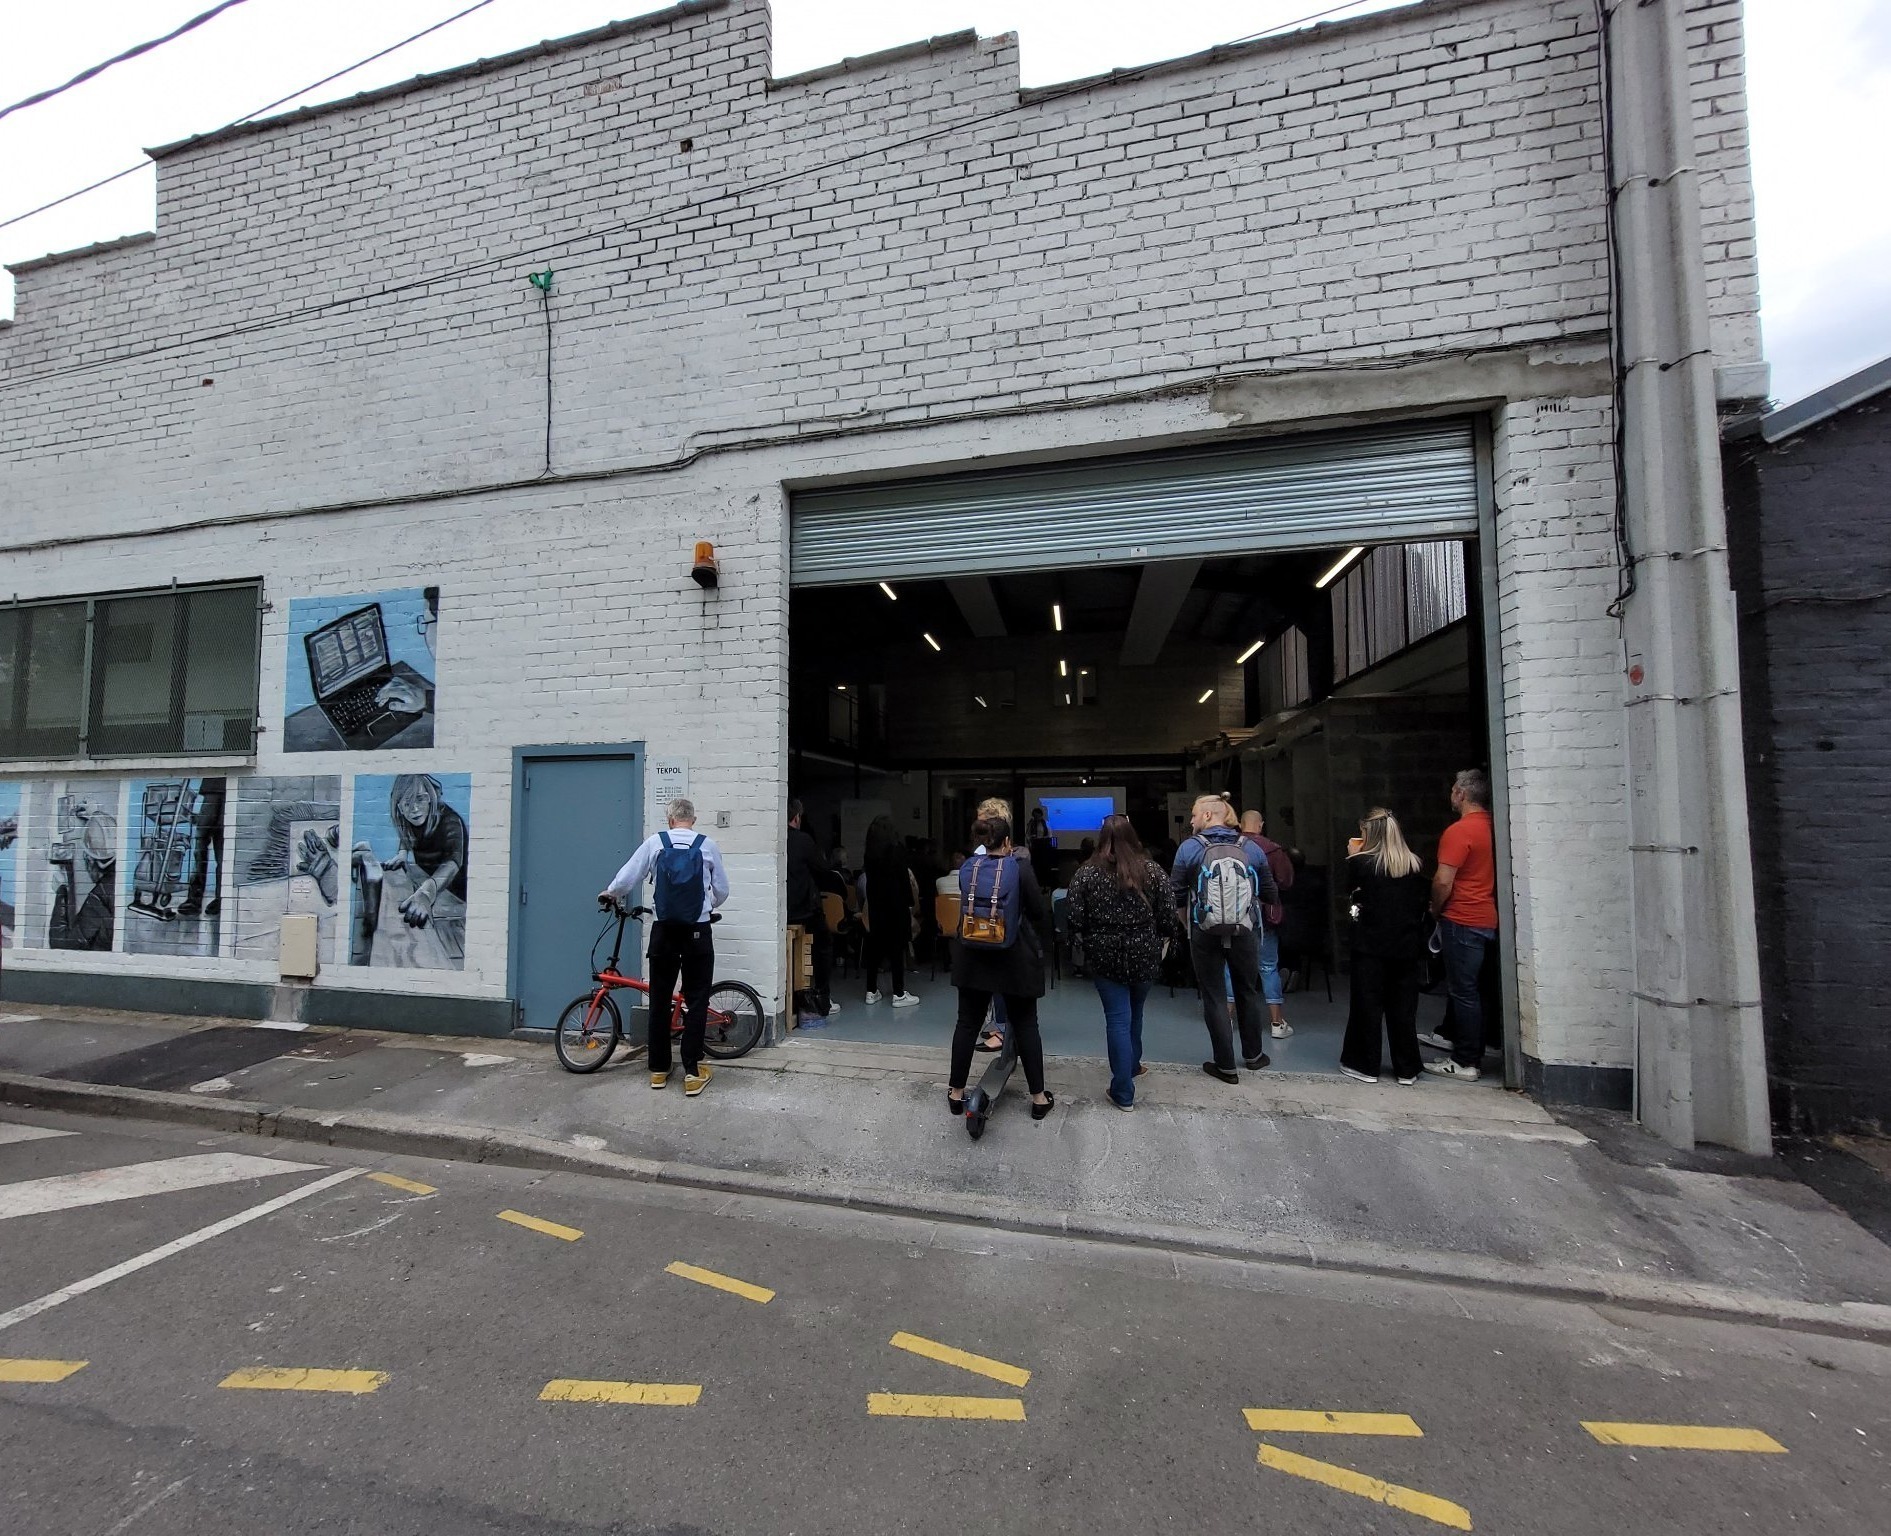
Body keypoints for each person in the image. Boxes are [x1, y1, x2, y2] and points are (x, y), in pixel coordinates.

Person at [600, 796, 730, 1096]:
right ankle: (693, 1072)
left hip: (664, 932)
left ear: (670, 820)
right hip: (697, 931)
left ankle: (659, 1070)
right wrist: (705, 906)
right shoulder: (707, 845)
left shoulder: (655, 843)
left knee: (659, 999)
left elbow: (628, 875)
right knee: (697, 1000)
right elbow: (722, 889)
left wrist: (611, 893)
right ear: (692, 820)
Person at [1067, 814, 1179, 1111]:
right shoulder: (1153, 871)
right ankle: (1132, 1066)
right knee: (1136, 1011)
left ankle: (1123, 1091)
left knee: (1117, 1017)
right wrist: (1160, 938)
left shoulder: (1086, 873)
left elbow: (1075, 917)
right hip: (1144, 951)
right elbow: (1169, 915)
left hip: (1104, 953)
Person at [947, 815, 1054, 1120]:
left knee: (967, 1024)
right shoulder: (1019, 868)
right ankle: (1038, 1098)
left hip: (972, 957)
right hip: (1013, 959)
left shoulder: (967, 867)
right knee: (1025, 1024)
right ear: (1008, 842)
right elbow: (1036, 910)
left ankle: (955, 1093)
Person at [1173, 794, 1278, 1084]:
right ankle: (1254, 1056)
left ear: (1207, 816)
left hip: (1203, 931)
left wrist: (1187, 924)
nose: (1191, 820)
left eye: (1194, 815)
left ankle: (1225, 1065)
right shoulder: (1252, 848)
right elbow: (1270, 893)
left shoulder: (1189, 849)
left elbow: (1177, 895)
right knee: (1246, 990)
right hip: (1244, 932)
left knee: (1215, 996)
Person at [1338, 808, 1431, 1085]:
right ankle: (1407, 1068)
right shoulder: (1414, 865)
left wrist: (1352, 854)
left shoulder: (1362, 865)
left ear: (1369, 835)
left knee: (1367, 1005)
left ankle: (1364, 1064)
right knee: (1403, 1009)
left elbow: (1349, 891)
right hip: (1406, 946)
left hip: (1370, 946)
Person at [1424, 769, 1499, 1083]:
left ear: (1462, 794)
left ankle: (1465, 1061)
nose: (1451, 794)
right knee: (1476, 989)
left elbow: (1443, 880)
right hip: (1487, 916)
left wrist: (1435, 909)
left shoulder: (1459, 831)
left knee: (1462, 991)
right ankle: (1471, 1045)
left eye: (1454, 789)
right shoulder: (1495, 826)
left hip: (1462, 917)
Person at [1239, 810, 1295, 1039]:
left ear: (1240, 825)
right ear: (1260, 825)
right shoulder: (1272, 849)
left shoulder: (1231, 847)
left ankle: (1228, 1018)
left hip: (1237, 916)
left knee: (1231, 968)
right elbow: (1286, 881)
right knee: (1268, 966)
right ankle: (1276, 1022)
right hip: (1265, 915)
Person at [862, 813, 920, 1007]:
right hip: (896, 907)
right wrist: (910, 901)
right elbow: (904, 879)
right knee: (897, 950)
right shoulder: (897, 851)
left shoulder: (869, 854)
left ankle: (871, 991)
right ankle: (898, 993)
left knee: (875, 950)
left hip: (876, 907)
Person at [786, 799, 836, 1022]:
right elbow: (823, 870)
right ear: (796, 818)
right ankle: (821, 995)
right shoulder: (803, 840)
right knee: (823, 946)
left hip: (780, 911)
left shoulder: (774, 837)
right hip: (803, 909)